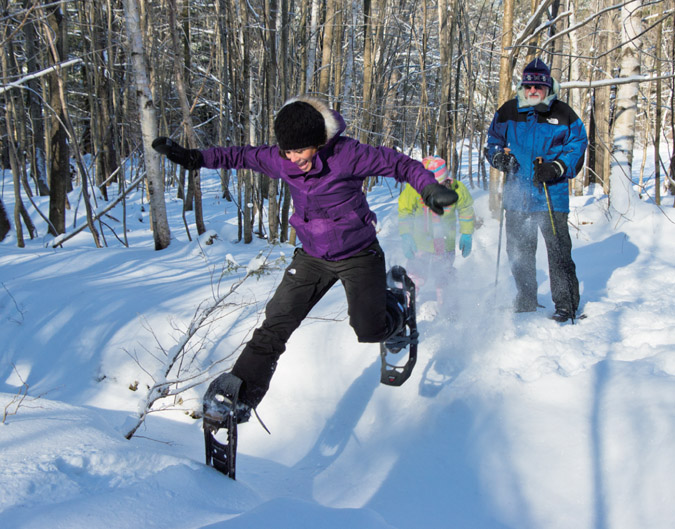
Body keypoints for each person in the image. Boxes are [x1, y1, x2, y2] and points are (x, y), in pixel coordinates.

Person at [152, 95, 458, 418]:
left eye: (303, 150)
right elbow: (239, 155)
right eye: (289, 151)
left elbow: (398, 163)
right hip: (312, 256)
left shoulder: (347, 155)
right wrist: (194, 157)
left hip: (358, 252)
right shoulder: (281, 159)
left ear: (320, 140)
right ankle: (241, 394)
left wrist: (428, 188)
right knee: (276, 322)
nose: (296, 159)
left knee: (369, 330)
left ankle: (395, 305)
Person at [485, 58, 587, 323]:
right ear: (523, 86)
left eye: (538, 87)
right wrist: (499, 159)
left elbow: (578, 145)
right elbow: (492, 141)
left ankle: (566, 305)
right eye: (528, 86)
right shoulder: (508, 111)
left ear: (547, 88)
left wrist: (557, 166)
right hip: (517, 194)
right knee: (518, 250)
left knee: (558, 252)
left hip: (551, 195)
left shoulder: (563, 113)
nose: (532, 91)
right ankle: (526, 298)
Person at [397, 155, 475, 307]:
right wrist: (406, 235)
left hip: (446, 244)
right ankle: (403, 306)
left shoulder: (456, 188)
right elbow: (405, 210)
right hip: (421, 244)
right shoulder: (413, 189)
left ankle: (449, 308)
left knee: (445, 275)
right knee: (415, 275)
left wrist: (467, 233)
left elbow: (465, 208)